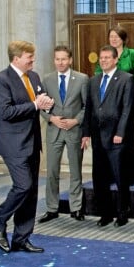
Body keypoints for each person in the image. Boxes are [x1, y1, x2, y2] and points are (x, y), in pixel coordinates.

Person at [0, 40, 55, 254]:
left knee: (32, 192)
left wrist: (45, 102)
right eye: (29, 57)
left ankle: (21, 238)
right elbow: (6, 112)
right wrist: (35, 105)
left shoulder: (34, 77)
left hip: (33, 141)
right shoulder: (1, 80)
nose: (33, 60)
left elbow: (38, 102)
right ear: (16, 58)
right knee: (23, 185)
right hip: (12, 143)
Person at [82, 45, 134, 227]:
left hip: (117, 138)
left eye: (107, 57)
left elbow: (128, 109)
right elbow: (89, 109)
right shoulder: (93, 81)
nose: (104, 60)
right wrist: (86, 133)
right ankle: (105, 214)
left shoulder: (126, 79)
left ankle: (122, 213)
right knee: (99, 177)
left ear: (115, 60)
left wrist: (120, 132)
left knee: (120, 177)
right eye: (101, 57)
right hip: (98, 137)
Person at [39, 45, 89, 224]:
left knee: (76, 171)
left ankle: (76, 208)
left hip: (74, 130)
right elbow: (41, 106)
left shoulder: (82, 79)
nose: (60, 62)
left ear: (70, 60)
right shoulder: (47, 80)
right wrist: (51, 118)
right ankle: (52, 208)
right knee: (51, 172)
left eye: (63, 59)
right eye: (57, 59)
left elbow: (86, 106)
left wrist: (76, 121)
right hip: (54, 131)